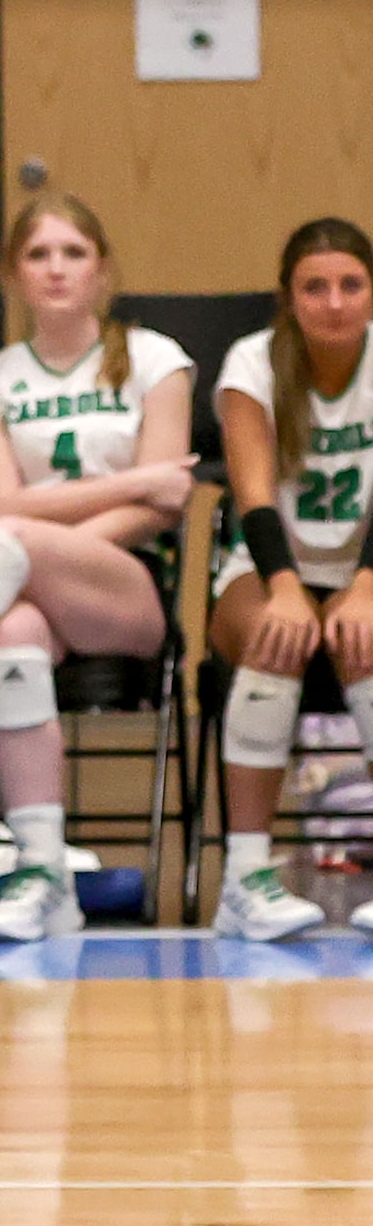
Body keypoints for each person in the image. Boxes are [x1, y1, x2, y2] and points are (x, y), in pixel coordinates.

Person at [0, 194, 195, 941]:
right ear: (12, 275)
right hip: (23, 579)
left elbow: (166, 506)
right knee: (11, 633)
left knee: (6, 548)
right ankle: (42, 873)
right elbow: (5, 502)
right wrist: (126, 483)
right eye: (37, 254)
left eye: (72, 252)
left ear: (101, 269)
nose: (55, 269)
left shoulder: (156, 360)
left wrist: (47, 535)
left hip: (125, 590)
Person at [210, 216, 373, 941]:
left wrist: (363, 585)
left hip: (361, 563)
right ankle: (245, 879)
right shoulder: (251, 362)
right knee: (273, 637)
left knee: (366, 638)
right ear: (287, 298)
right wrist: (283, 586)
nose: (333, 302)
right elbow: (250, 493)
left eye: (350, 284)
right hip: (270, 560)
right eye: (314, 286)